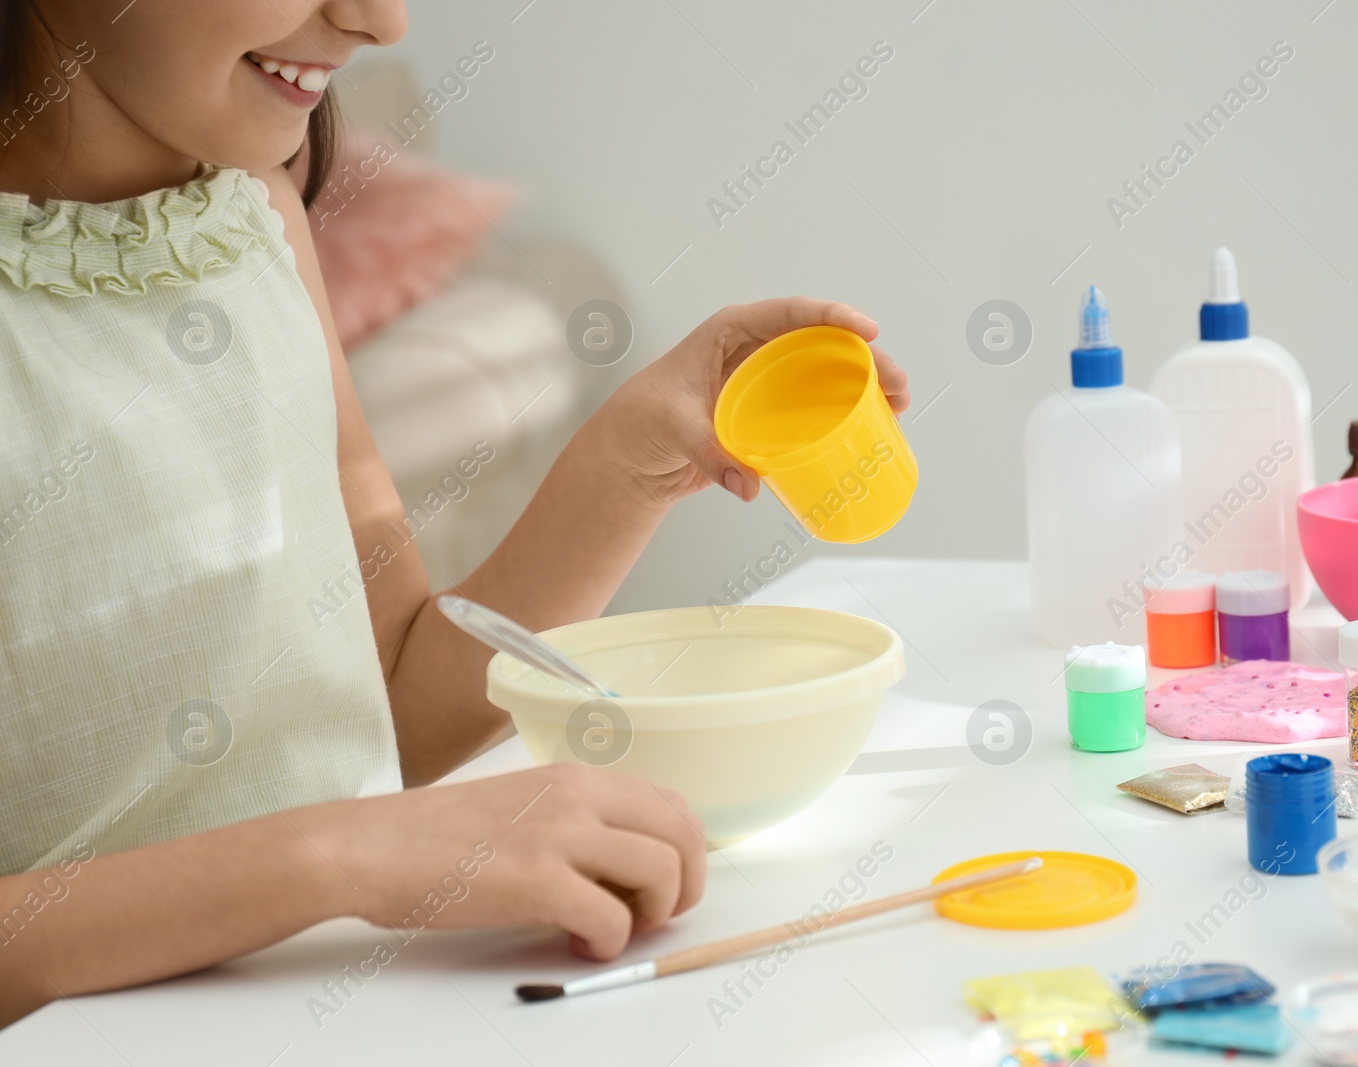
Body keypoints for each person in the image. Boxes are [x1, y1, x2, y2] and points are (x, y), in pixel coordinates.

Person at [0, 0, 910, 1025]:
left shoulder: (253, 218)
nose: (380, 22)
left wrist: (627, 463)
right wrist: (338, 853)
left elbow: (382, 705)